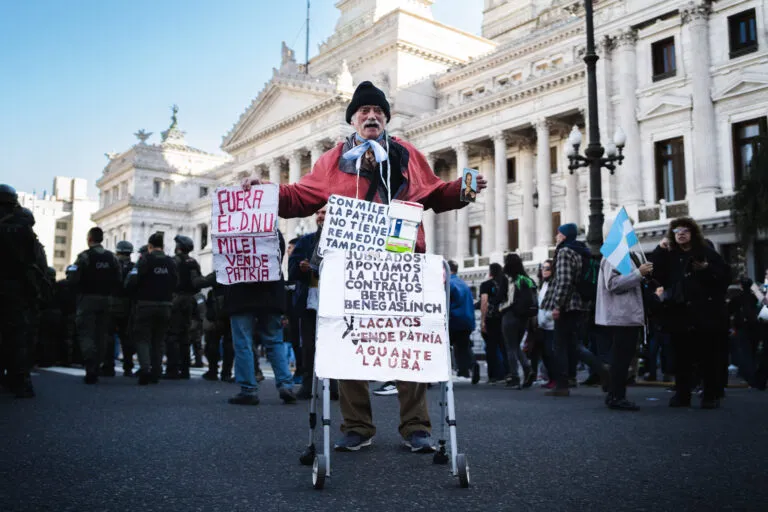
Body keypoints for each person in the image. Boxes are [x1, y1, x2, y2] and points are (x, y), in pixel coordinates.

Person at [242, 80, 487, 452]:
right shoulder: (333, 160)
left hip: (402, 261)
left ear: (386, 118)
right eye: (363, 111)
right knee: (347, 338)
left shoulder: (406, 153)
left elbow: (435, 192)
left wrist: (464, 190)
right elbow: (299, 197)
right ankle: (357, 425)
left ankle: (415, 426)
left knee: (407, 339)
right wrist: (265, 190)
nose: (371, 116)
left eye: (377, 111)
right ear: (353, 120)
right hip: (350, 263)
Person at [651, 218, 730, 408]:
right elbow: (657, 275)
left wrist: (706, 269)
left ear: (693, 233)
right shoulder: (669, 254)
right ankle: (682, 395)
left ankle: (710, 396)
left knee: (707, 357)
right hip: (678, 314)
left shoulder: (706, 252)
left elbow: (724, 277)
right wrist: (659, 250)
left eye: (685, 230)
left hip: (704, 315)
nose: (681, 234)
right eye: (677, 230)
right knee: (681, 358)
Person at [224, 230, 296, 406]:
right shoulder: (273, 230)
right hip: (270, 293)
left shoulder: (235, 230)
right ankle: (285, 384)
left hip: (241, 293)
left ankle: (248, 389)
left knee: (243, 343)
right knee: (274, 341)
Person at [540, 223, 609, 397]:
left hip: (568, 306)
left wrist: (558, 306)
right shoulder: (581, 251)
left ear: (564, 235)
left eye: (558, 233)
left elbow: (564, 281)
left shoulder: (564, 252)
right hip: (580, 305)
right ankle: (603, 372)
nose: (556, 237)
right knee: (573, 345)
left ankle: (564, 384)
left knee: (561, 346)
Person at [0, 185, 46, 397]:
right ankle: (19, 381)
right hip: (17, 288)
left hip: (13, 286)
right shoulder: (23, 229)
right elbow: (34, 262)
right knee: (17, 335)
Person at [595, 247, 653, 411]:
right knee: (621, 358)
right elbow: (612, 283)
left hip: (629, 314)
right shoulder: (614, 255)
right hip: (622, 315)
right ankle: (616, 396)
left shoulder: (630, 255)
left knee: (624, 357)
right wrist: (638, 274)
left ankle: (615, 394)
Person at [289, 207, 336, 399]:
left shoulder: (341, 242)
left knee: (334, 345)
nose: (320, 216)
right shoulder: (305, 240)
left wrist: (317, 270)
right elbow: (292, 270)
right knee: (308, 346)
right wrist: (301, 268)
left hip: (334, 302)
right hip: (309, 301)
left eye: (324, 213)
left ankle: (335, 387)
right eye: (317, 213)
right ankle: (307, 385)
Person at [67, 227, 122, 384]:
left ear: (89, 239)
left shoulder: (84, 257)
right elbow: (119, 279)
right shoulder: (112, 258)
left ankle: (90, 366)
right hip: (107, 300)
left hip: (88, 299)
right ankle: (97, 365)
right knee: (102, 334)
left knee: (87, 333)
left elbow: (73, 278)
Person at [126, 232, 178, 385]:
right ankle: (156, 370)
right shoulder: (171, 262)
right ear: (162, 246)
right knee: (159, 339)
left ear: (149, 246)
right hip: (166, 305)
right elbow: (176, 281)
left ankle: (145, 369)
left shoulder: (144, 260)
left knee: (143, 338)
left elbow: (132, 281)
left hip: (145, 304)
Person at [165, 235, 203, 379]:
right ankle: (185, 369)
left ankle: (172, 369)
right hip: (190, 300)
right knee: (185, 336)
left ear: (178, 247)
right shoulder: (194, 262)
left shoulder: (175, 261)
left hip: (177, 299)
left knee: (172, 335)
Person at [497, 253, 536, 389]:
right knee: (516, 345)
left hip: (510, 314)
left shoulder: (506, 277)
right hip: (524, 316)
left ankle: (515, 377)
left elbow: (500, 296)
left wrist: (495, 305)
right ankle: (527, 369)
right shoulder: (526, 278)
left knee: (510, 347)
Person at [106, 241, 136, 377]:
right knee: (127, 337)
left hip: (112, 303)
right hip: (129, 304)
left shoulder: (111, 265)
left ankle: (108, 366)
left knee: (109, 336)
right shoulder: (134, 267)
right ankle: (128, 367)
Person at [448, 260, 479, 383]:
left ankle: (437, 373)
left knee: (443, 346)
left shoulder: (448, 283)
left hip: (454, 320)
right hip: (467, 320)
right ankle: (472, 365)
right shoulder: (463, 284)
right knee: (464, 347)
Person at [479, 263, 508, 383]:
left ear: (490, 272)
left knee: (491, 347)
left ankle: (493, 376)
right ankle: (508, 373)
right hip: (504, 317)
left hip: (491, 319)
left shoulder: (485, 285)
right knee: (504, 347)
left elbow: (484, 302)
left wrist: (482, 320)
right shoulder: (505, 283)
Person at [534, 260, 555, 388]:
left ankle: (556, 379)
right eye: (543, 268)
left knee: (550, 353)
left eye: (548, 268)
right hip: (543, 325)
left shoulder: (553, 284)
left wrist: (547, 317)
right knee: (546, 354)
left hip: (552, 325)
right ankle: (551, 378)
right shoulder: (543, 285)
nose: (545, 270)